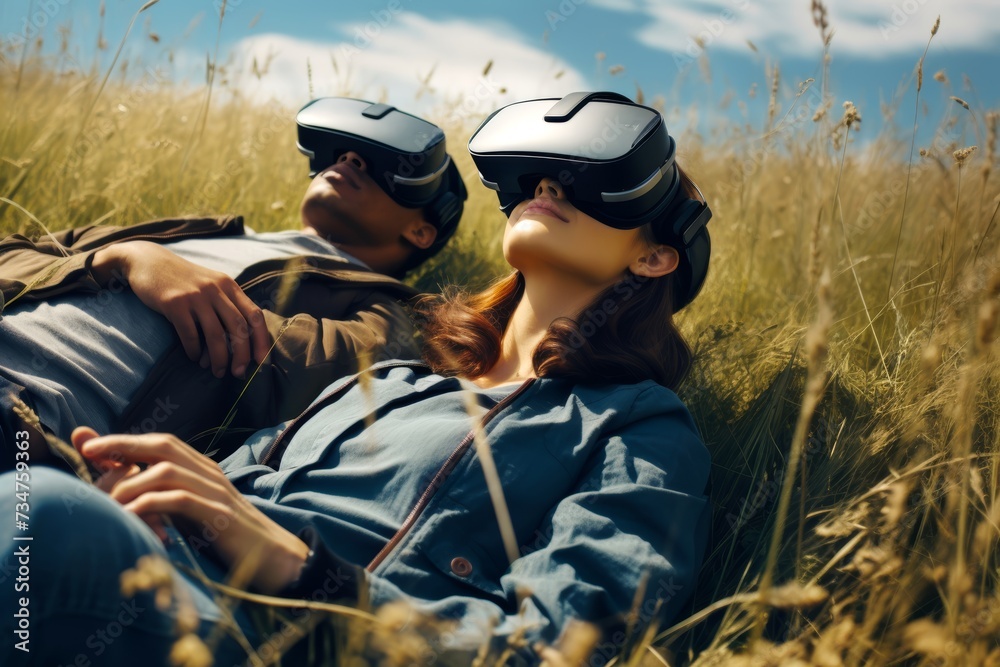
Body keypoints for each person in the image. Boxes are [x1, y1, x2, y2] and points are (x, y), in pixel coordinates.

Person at [0, 92, 713, 666]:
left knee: (44, 521)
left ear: (653, 258)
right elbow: (230, 489)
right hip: (168, 574)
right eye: (542, 177)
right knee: (41, 504)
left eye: (598, 187)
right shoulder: (393, 382)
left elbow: (562, 646)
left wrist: (303, 570)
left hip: (290, 634)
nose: (549, 185)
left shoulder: (640, 426)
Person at [0, 97, 467, 463]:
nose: (349, 158)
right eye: (341, 151)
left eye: (384, 166)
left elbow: (318, 376)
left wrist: (215, 306)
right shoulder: (205, 229)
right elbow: (12, 251)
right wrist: (123, 256)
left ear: (420, 231)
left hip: (32, 418)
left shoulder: (390, 309)